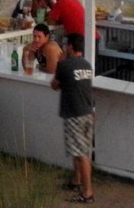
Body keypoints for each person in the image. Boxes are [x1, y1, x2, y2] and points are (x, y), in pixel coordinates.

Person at [51, 33, 95, 202]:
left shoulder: (64, 65)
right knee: (79, 150)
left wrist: (60, 63)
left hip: (74, 113)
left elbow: (54, 85)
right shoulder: (87, 65)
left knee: (81, 153)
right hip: (87, 111)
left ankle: (87, 192)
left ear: (70, 46)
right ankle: (76, 181)